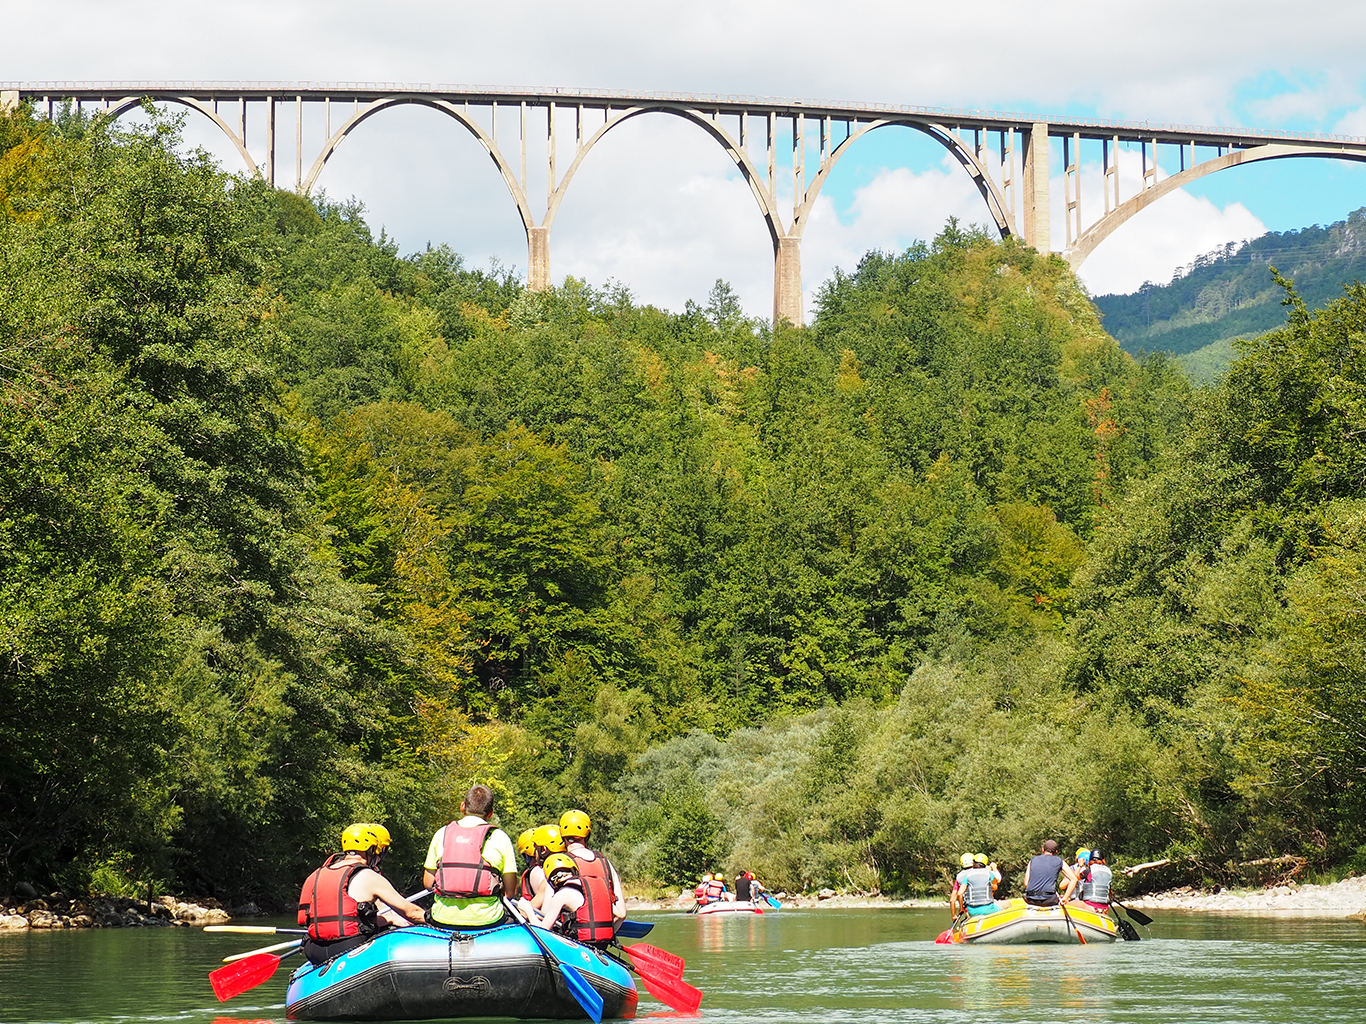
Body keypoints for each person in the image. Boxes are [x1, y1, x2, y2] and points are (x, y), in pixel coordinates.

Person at [297, 823, 426, 965]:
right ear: (371, 850)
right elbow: (411, 912)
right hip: (349, 949)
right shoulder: (368, 876)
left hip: (315, 951)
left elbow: (350, 919)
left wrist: (388, 919)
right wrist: (434, 919)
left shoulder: (315, 875)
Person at [423, 784, 519, 928]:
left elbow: (428, 882)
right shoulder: (500, 837)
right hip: (489, 919)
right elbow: (510, 892)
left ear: (462, 806)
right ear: (490, 813)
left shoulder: (441, 833)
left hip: (442, 918)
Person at [559, 809, 627, 932]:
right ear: (588, 835)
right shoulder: (605, 862)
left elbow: (545, 912)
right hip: (602, 939)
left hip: (571, 938)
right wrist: (606, 935)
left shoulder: (560, 863)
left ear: (562, 835)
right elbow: (621, 915)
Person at [530, 851, 616, 948]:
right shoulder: (589, 888)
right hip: (603, 945)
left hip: (581, 946)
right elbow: (619, 915)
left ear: (552, 881)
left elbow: (542, 931)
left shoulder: (562, 894)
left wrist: (527, 909)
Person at [1021, 839, 1076, 907]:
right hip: (1049, 899)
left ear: (1043, 849)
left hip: (1030, 899)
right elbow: (1074, 879)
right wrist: (1065, 898)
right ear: (1056, 852)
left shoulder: (1033, 860)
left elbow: (1026, 884)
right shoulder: (1059, 861)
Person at [1075, 848, 1114, 913]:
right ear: (1103, 860)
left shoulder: (1089, 870)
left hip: (1090, 905)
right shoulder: (1109, 871)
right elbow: (1110, 892)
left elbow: (1075, 877)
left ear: (1090, 860)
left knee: (1068, 904)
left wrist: (1080, 865)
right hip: (1105, 908)